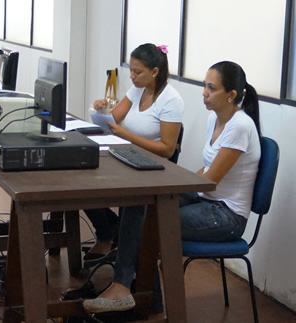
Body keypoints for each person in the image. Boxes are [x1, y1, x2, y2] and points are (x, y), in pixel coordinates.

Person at [83, 60, 262, 314]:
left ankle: (145, 296)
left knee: (153, 221)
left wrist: (176, 187)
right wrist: (174, 187)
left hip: (226, 215)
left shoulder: (240, 126)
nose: (204, 93)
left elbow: (211, 180)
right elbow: (205, 171)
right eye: (204, 86)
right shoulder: (215, 119)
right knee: (139, 204)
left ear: (231, 95)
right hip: (207, 199)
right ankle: (129, 288)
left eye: (211, 88)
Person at [83, 43, 184, 265]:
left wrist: (126, 135)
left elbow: (167, 149)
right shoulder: (137, 89)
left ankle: (116, 237)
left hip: (152, 167)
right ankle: (111, 232)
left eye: (138, 72)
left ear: (155, 72)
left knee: (90, 186)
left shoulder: (171, 100)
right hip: (126, 155)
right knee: (81, 183)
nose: (132, 76)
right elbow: (114, 119)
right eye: (131, 70)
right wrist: (100, 109)